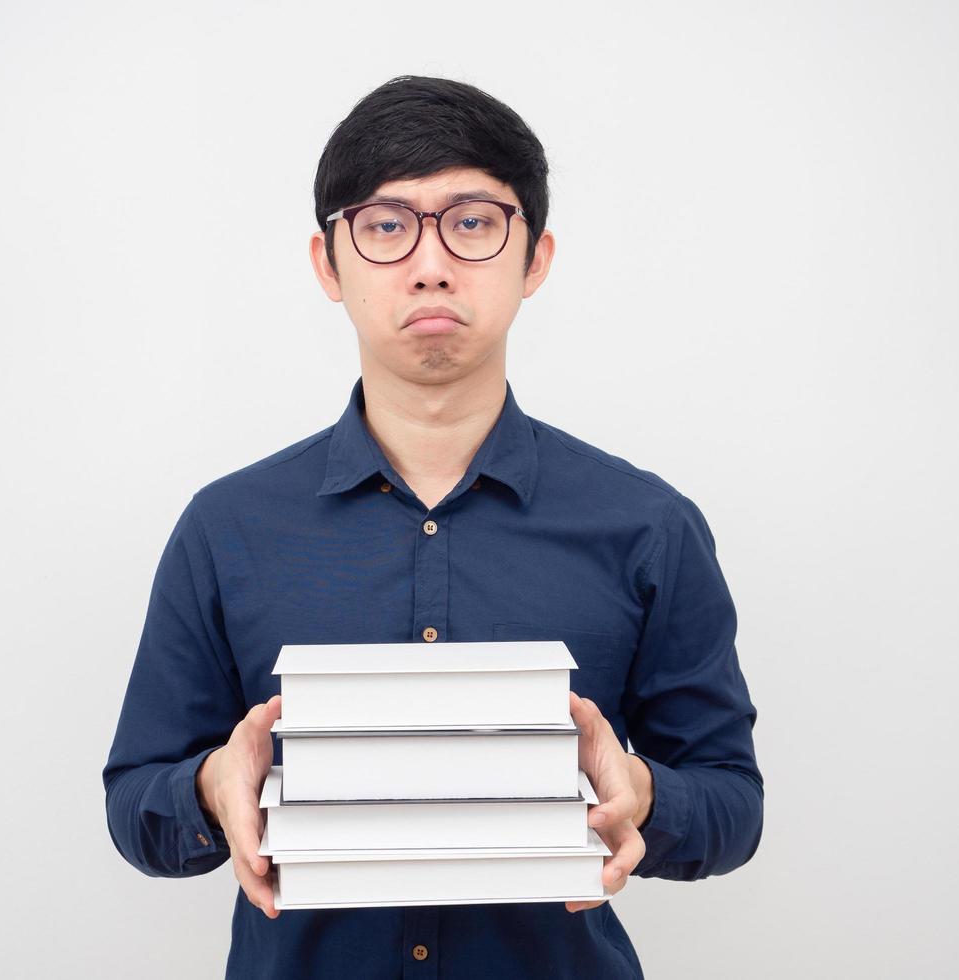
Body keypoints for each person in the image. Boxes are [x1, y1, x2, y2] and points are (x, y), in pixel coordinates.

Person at [102, 74, 763, 979]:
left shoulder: (646, 525)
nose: (429, 263)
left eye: (473, 221)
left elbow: (731, 804)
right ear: (327, 264)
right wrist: (211, 789)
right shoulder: (228, 528)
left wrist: (642, 793)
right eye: (384, 224)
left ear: (534, 258)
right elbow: (134, 802)